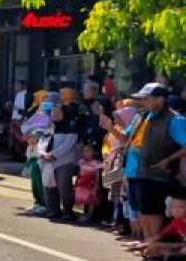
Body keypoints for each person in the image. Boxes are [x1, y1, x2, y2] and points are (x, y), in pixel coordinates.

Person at [102, 82, 186, 242]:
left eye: (146, 98)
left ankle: (154, 244)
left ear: (160, 99)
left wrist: (168, 160)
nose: (142, 102)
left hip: (155, 173)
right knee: (141, 210)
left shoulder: (174, 120)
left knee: (152, 210)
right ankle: (147, 243)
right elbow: (127, 139)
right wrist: (111, 128)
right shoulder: (140, 117)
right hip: (134, 171)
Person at [39, 96, 80, 222]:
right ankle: (53, 209)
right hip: (48, 162)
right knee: (49, 187)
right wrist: (42, 153)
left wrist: (52, 154)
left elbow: (68, 145)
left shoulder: (71, 126)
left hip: (65, 162)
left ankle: (68, 211)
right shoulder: (49, 127)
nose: (54, 115)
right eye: (53, 112)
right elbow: (41, 141)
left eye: (57, 112)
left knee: (64, 188)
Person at [74, 143, 103, 224]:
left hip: (91, 184)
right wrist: (76, 182)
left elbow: (97, 175)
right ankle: (84, 214)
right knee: (84, 199)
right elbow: (79, 172)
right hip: (82, 184)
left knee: (91, 200)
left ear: (93, 152)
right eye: (84, 151)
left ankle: (90, 215)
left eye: (88, 151)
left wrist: (96, 185)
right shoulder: (81, 162)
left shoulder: (96, 163)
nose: (86, 153)